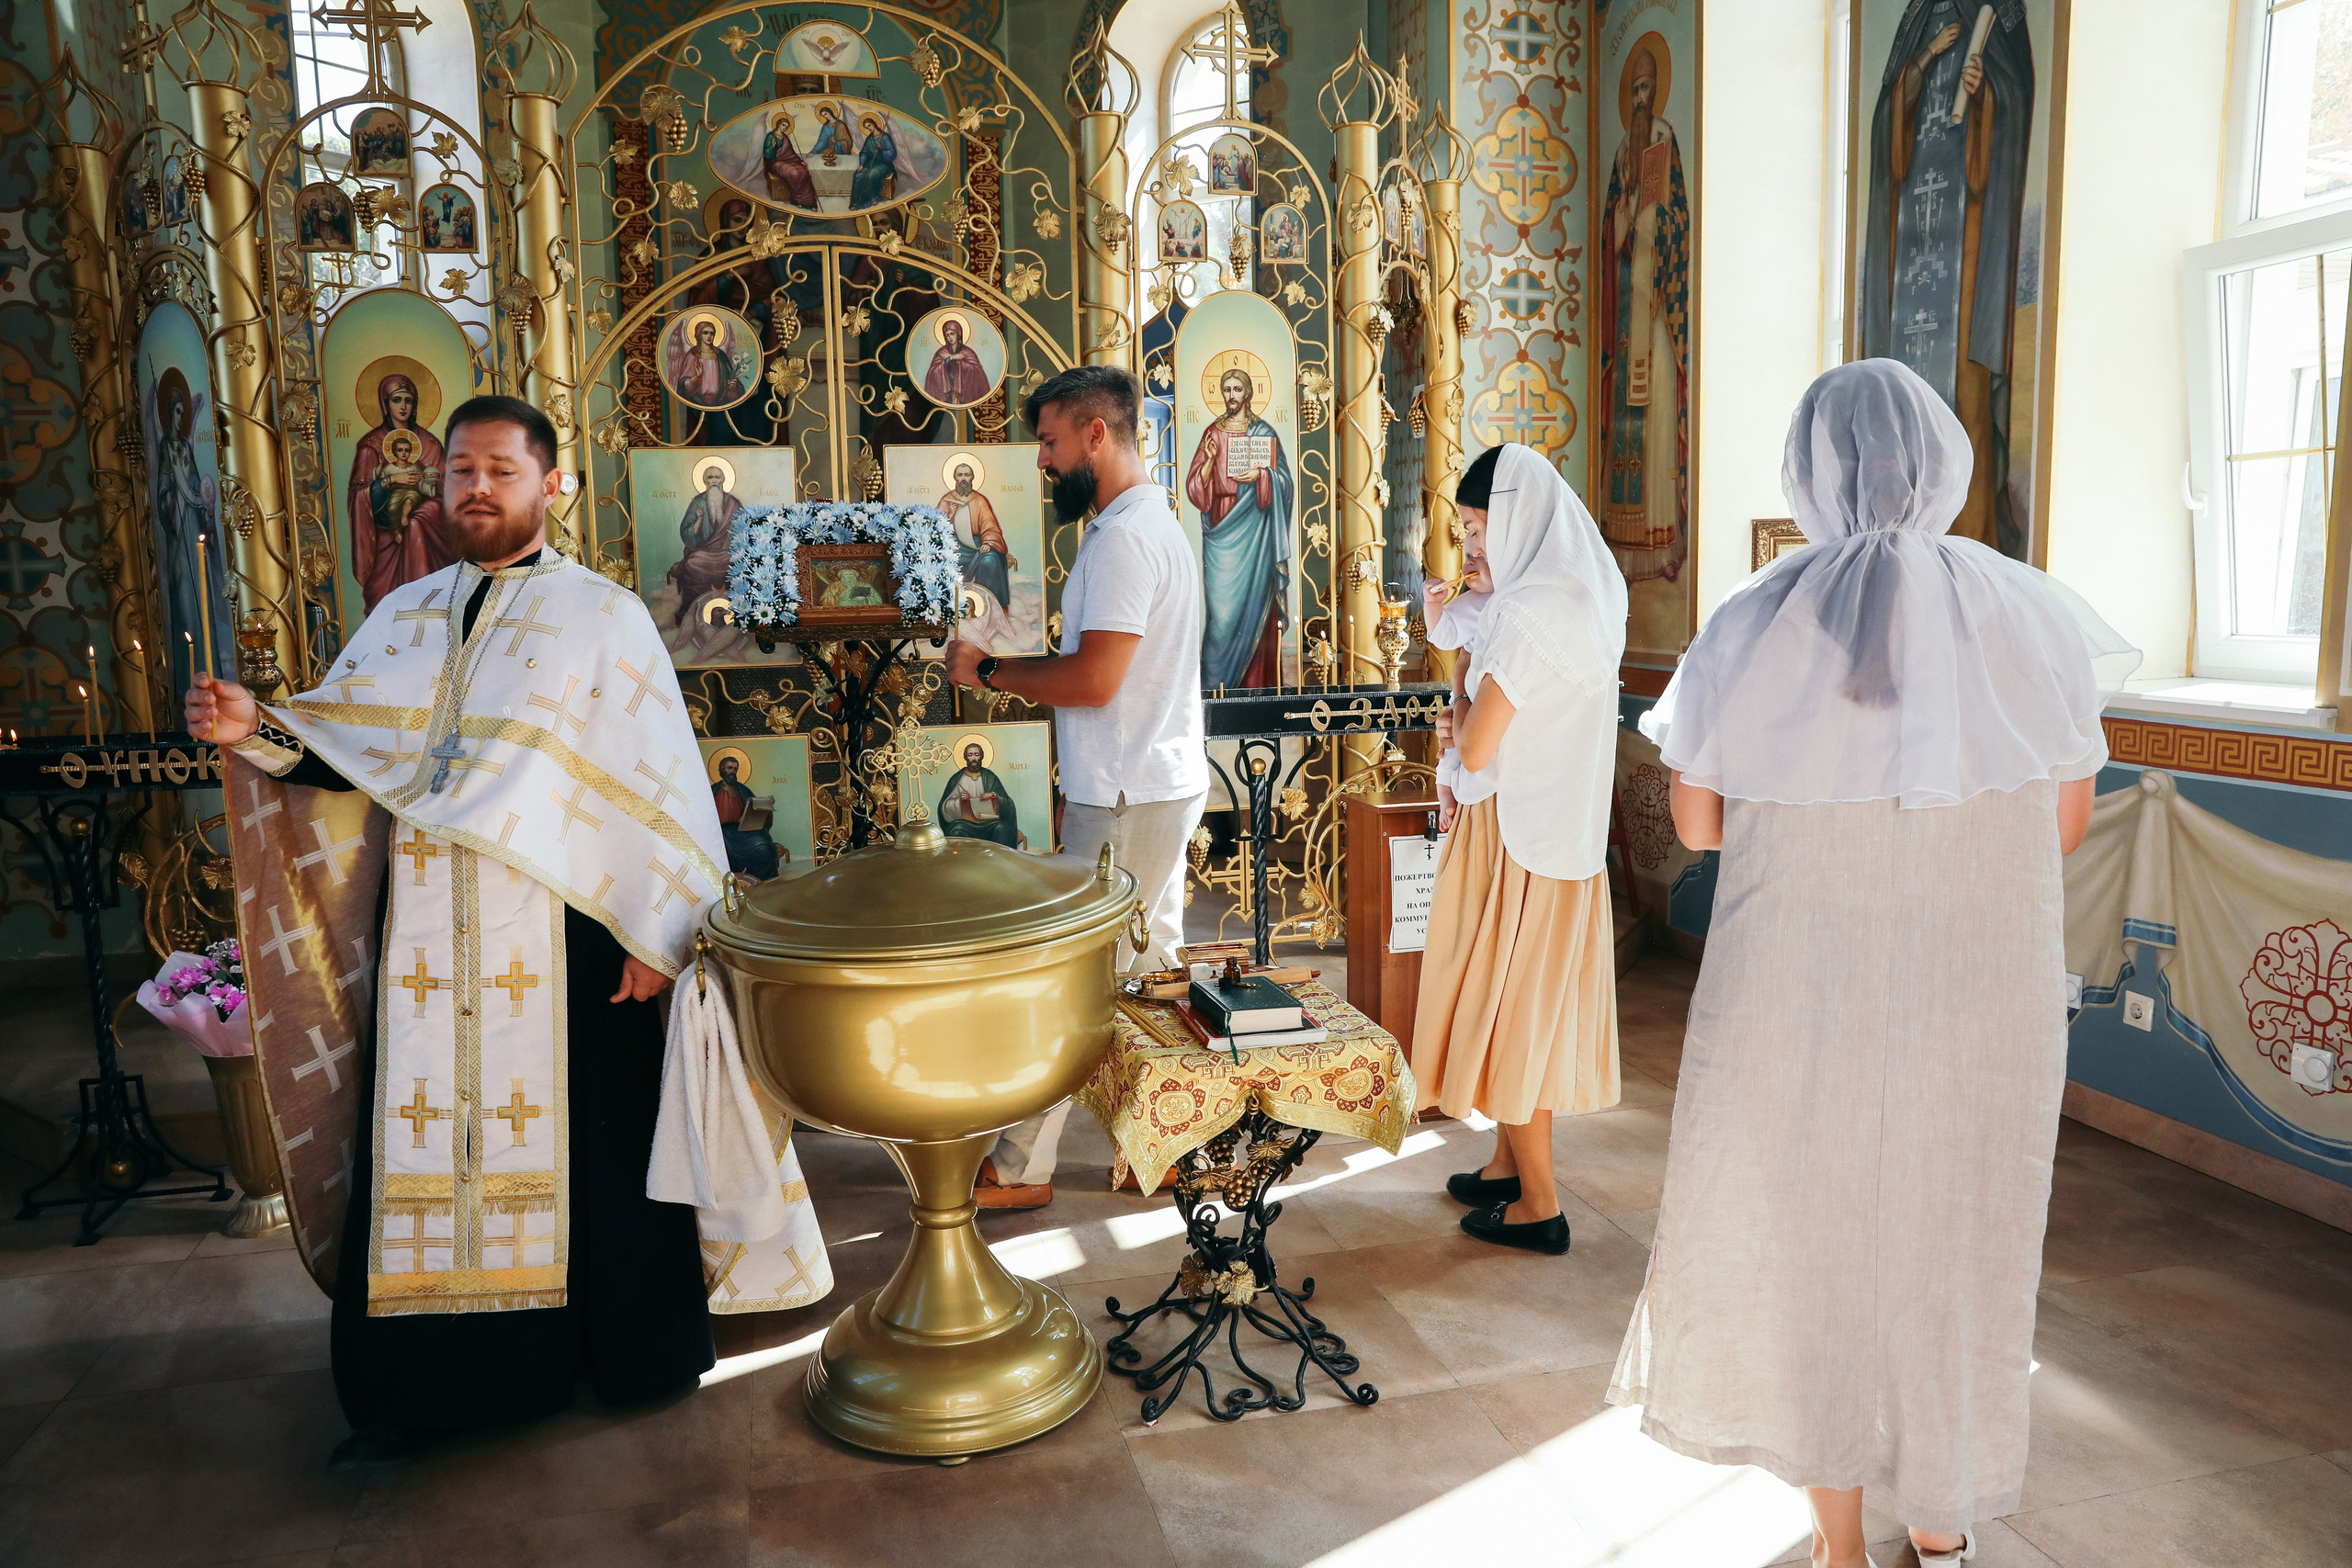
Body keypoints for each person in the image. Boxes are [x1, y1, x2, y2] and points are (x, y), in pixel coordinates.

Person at [1606, 360, 2138, 1568]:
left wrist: (1821, 818)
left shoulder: (1757, 615)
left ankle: (1840, 1545)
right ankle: (1941, 1526)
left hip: (1807, 985)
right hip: (1978, 991)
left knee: (1820, 1246)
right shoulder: (2031, 613)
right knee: (1961, 1241)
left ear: (1812, 472)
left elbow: (1694, 826)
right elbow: (2059, 827)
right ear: (1940, 463)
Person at [190, 396, 742, 1466]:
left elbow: (660, 786)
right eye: (458, 472)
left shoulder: (603, 617)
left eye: (499, 470)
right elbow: (342, 756)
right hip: (431, 945)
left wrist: (657, 935)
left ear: (550, 486)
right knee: (423, 1148)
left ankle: (620, 1355)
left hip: (574, 926)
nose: (474, 488)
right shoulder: (404, 615)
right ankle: (424, 1387)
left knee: (601, 1139)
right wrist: (251, 729)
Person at [944, 364, 1206, 1209]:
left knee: (1072, 982)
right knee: (1149, 969)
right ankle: (1165, 1143)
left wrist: (988, 669)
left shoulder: (1127, 538)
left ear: (1098, 434)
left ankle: (1022, 1167)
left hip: (1131, 792)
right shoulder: (1136, 525)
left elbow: (1096, 680)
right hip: (1135, 783)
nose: (1044, 462)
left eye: (1052, 442)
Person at [1410, 444, 1626, 1256]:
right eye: (1465, 532)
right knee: (1513, 998)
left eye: (1478, 529)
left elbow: (1474, 745)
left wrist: (1456, 694)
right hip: (1554, 832)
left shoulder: (1529, 612)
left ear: (1521, 519)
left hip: (1517, 839)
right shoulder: (1587, 590)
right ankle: (1506, 1162)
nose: (1470, 551)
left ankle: (1540, 1202)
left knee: (1512, 1007)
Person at [1185, 366, 1294, 689]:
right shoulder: (1212, 433)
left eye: (1236, 389)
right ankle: (1215, 692)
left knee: (1258, 611)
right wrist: (1207, 462)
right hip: (1221, 529)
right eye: (1226, 390)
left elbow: (1285, 483)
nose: (1230, 396)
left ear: (1248, 393)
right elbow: (1195, 490)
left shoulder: (1265, 433)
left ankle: (1257, 689)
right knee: (1221, 618)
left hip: (1257, 533)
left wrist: (1262, 477)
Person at [349, 373, 455, 614]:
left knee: (417, 522)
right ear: (385, 404)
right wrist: (390, 481)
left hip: (426, 537)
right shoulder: (371, 446)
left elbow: (447, 490)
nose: (404, 406)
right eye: (397, 400)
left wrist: (427, 487)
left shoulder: (429, 444)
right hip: (384, 539)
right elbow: (358, 496)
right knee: (384, 606)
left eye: (409, 400)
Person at [664, 461, 742, 631]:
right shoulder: (698, 502)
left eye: (717, 477)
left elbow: (744, 529)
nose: (714, 480)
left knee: (737, 564)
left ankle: (738, 613)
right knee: (693, 564)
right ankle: (691, 611)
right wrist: (699, 521)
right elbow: (686, 532)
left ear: (723, 480)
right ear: (705, 481)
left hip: (727, 551)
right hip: (703, 551)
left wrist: (733, 537)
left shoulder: (733, 503)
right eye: (710, 477)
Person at [936, 740, 1020, 849]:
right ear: (965, 758)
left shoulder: (990, 777)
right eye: (970, 755)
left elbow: (1008, 803)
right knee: (956, 831)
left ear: (981, 757)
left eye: (977, 754)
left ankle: (999, 863)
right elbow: (944, 807)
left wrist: (994, 795)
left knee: (1001, 828)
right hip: (965, 824)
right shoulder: (957, 779)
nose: (974, 758)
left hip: (990, 823)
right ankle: (961, 865)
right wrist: (959, 801)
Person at [713, 753, 782, 881]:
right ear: (722, 769)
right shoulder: (712, 791)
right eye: (729, 768)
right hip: (722, 832)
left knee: (764, 845)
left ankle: (767, 883)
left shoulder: (742, 789)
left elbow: (754, 808)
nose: (733, 771)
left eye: (735, 769)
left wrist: (766, 806)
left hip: (742, 830)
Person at [922, 317, 993, 406]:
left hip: (964, 392)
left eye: (952, 334)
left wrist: (961, 363)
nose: (950, 337)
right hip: (947, 394)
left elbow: (977, 371)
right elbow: (932, 372)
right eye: (947, 335)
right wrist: (950, 359)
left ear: (958, 334)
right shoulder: (941, 352)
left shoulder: (968, 352)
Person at [763, 109, 819, 209]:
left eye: (787, 126)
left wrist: (800, 161)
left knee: (803, 171)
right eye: (783, 125)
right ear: (778, 124)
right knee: (793, 172)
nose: (785, 128)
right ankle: (797, 200)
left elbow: (791, 153)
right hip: (775, 163)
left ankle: (810, 202)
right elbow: (768, 156)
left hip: (789, 161)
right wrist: (772, 147)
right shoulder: (770, 137)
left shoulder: (785, 137)